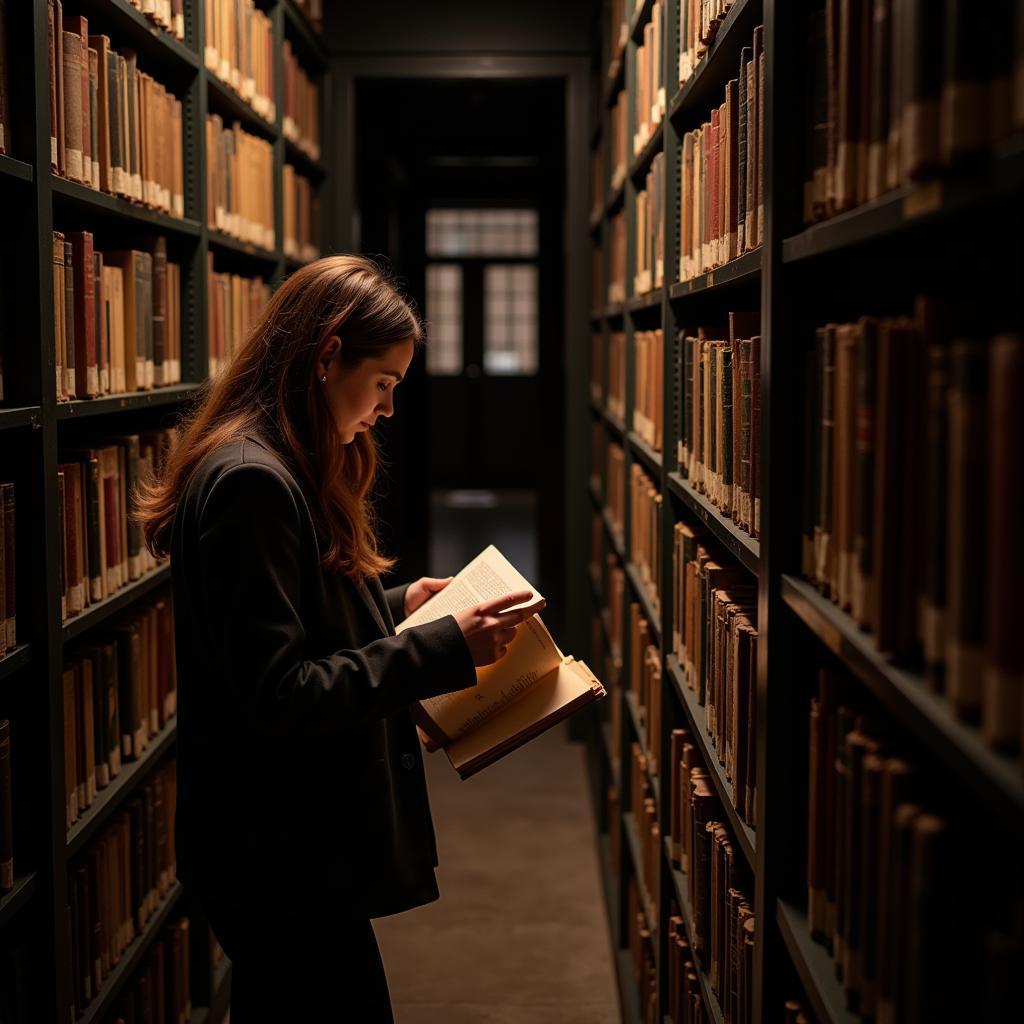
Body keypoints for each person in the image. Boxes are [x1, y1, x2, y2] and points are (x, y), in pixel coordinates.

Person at [137, 254, 541, 1021]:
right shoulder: (252, 482)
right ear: (328, 357)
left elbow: (284, 622)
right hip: (277, 854)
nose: (389, 409)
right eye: (384, 382)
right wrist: (443, 647)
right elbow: (280, 690)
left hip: (284, 845)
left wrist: (392, 609)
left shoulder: (275, 462)